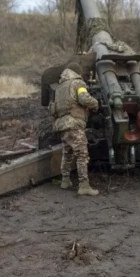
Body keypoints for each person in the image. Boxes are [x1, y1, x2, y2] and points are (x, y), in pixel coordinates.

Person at [51, 66, 100, 196]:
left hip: (62, 124)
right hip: (74, 123)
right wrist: (95, 103)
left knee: (67, 153)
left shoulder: (60, 88)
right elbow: (84, 98)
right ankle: (84, 185)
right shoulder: (77, 83)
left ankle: (65, 180)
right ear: (77, 73)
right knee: (82, 154)